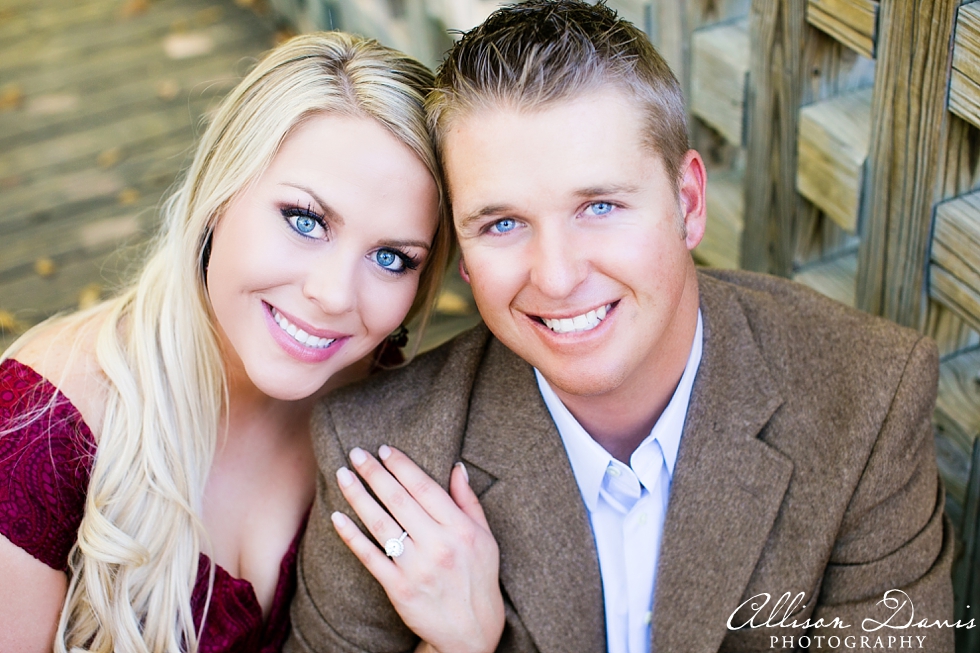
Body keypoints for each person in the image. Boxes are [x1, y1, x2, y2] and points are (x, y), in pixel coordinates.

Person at [287, 2, 955, 652]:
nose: (555, 276)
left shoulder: (867, 400)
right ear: (463, 252)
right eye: (502, 224)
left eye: (599, 205)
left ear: (687, 205)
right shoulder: (383, 456)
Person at [0, 31, 462, 653]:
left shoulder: (401, 418)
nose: (333, 295)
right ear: (219, 196)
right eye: (305, 221)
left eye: (391, 257)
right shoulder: (38, 429)